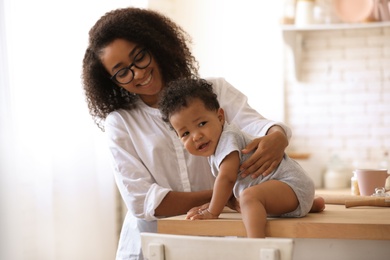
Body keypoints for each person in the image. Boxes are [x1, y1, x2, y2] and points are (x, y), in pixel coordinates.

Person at [82, 7, 324, 260]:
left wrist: (277, 136)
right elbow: (144, 202)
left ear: (155, 44)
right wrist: (224, 195)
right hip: (152, 245)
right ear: (112, 81)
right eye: (122, 72)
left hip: (217, 239)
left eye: (139, 57)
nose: (138, 73)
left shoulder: (213, 90)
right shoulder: (120, 122)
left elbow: (259, 127)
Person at [159, 77, 316, 238]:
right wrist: (213, 204)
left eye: (201, 124)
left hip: (291, 185)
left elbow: (227, 179)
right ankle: (311, 204)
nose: (196, 136)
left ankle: (256, 245)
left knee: (249, 197)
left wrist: (212, 211)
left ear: (220, 117)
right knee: (247, 196)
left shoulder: (228, 138)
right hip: (292, 194)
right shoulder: (216, 147)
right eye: (185, 133)